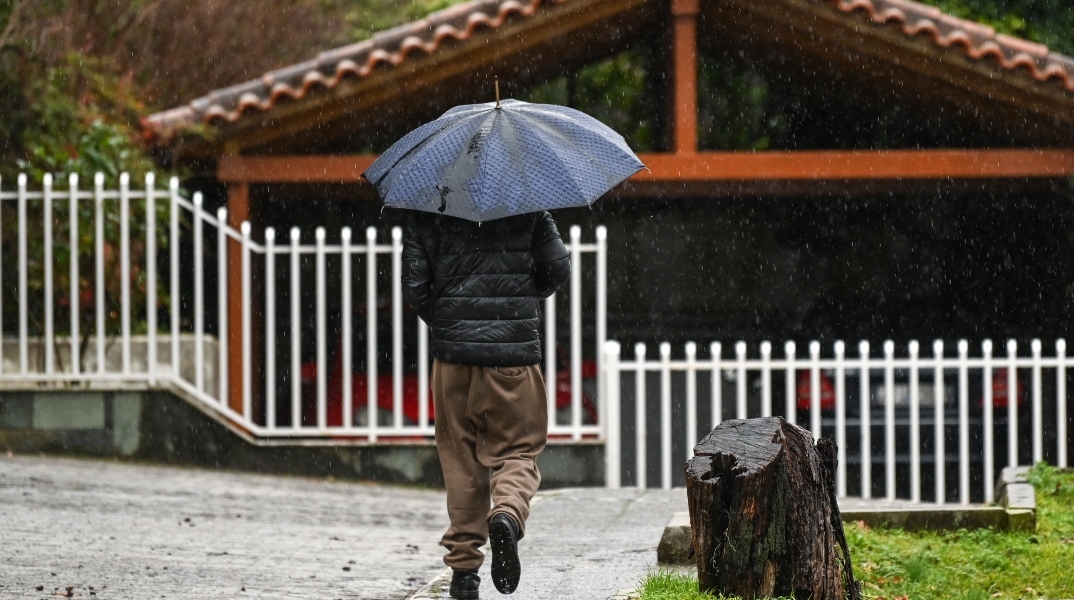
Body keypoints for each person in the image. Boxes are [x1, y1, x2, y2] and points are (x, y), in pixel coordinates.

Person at [402, 209, 570, 599]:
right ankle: (507, 513)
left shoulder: (427, 210)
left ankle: (463, 573)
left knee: (460, 461)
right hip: (512, 355)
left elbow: (415, 288)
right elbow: (557, 267)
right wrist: (522, 301)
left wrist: (450, 321)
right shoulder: (527, 204)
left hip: (452, 361)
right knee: (518, 450)